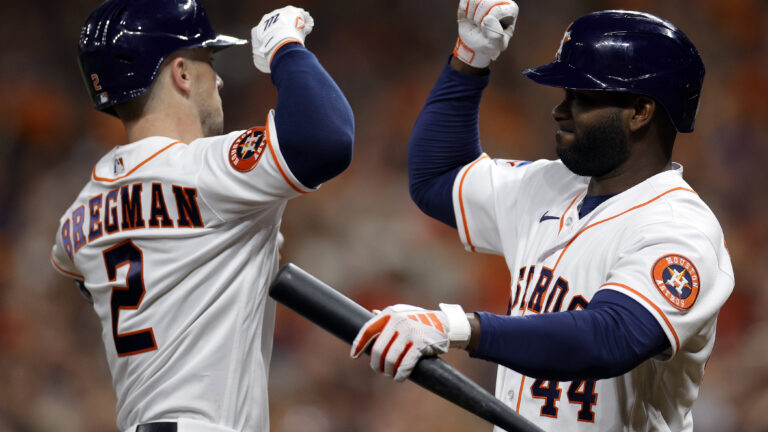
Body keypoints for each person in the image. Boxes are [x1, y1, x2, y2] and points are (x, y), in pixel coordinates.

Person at [351, 2, 733, 431]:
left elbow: (610, 338)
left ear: (640, 112)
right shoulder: (548, 186)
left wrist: (457, 326)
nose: (560, 110)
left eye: (582, 97)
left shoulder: (681, 229)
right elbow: (436, 177)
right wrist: (469, 59)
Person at [50, 1, 353, 431]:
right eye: (209, 61)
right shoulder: (207, 171)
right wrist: (287, 48)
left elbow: (82, 273)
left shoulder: (79, 212)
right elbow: (327, 138)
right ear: (183, 74)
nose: (220, 79)